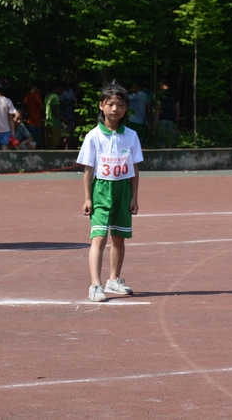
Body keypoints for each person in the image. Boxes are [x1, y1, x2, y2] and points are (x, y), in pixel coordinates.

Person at [76, 81, 144, 302]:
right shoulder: (93, 136)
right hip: (101, 189)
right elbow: (88, 169)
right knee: (98, 237)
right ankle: (95, 285)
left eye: (120, 105)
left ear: (126, 108)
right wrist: (87, 198)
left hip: (123, 189)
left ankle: (114, 280)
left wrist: (134, 197)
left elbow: (134, 168)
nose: (115, 109)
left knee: (119, 238)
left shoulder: (131, 136)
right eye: (110, 104)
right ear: (101, 106)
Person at [155, 81, 180, 147]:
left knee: (161, 139)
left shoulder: (160, 94)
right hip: (172, 119)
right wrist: (177, 122)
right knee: (171, 140)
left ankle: (161, 151)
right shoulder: (175, 94)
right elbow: (177, 109)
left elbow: (158, 108)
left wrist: (156, 121)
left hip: (162, 119)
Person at [44, 81, 64, 149]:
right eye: (62, 89)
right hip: (55, 124)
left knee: (49, 142)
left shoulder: (48, 96)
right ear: (58, 88)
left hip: (48, 123)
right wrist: (63, 119)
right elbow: (54, 110)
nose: (62, 91)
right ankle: (53, 155)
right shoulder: (55, 97)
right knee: (55, 143)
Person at [24, 82, 43, 146]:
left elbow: (25, 105)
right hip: (36, 121)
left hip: (30, 121)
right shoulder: (35, 95)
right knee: (37, 140)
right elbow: (41, 106)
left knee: (30, 139)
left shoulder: (27, 95)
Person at [59, 80, 77, 149]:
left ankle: (67, 149)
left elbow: (74, 101)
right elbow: (60, 104)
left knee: (70, 136)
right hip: (64, 117)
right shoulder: (61, 92)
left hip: (71, 116)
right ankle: (62, 150)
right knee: (64, 135)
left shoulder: (71, 91)